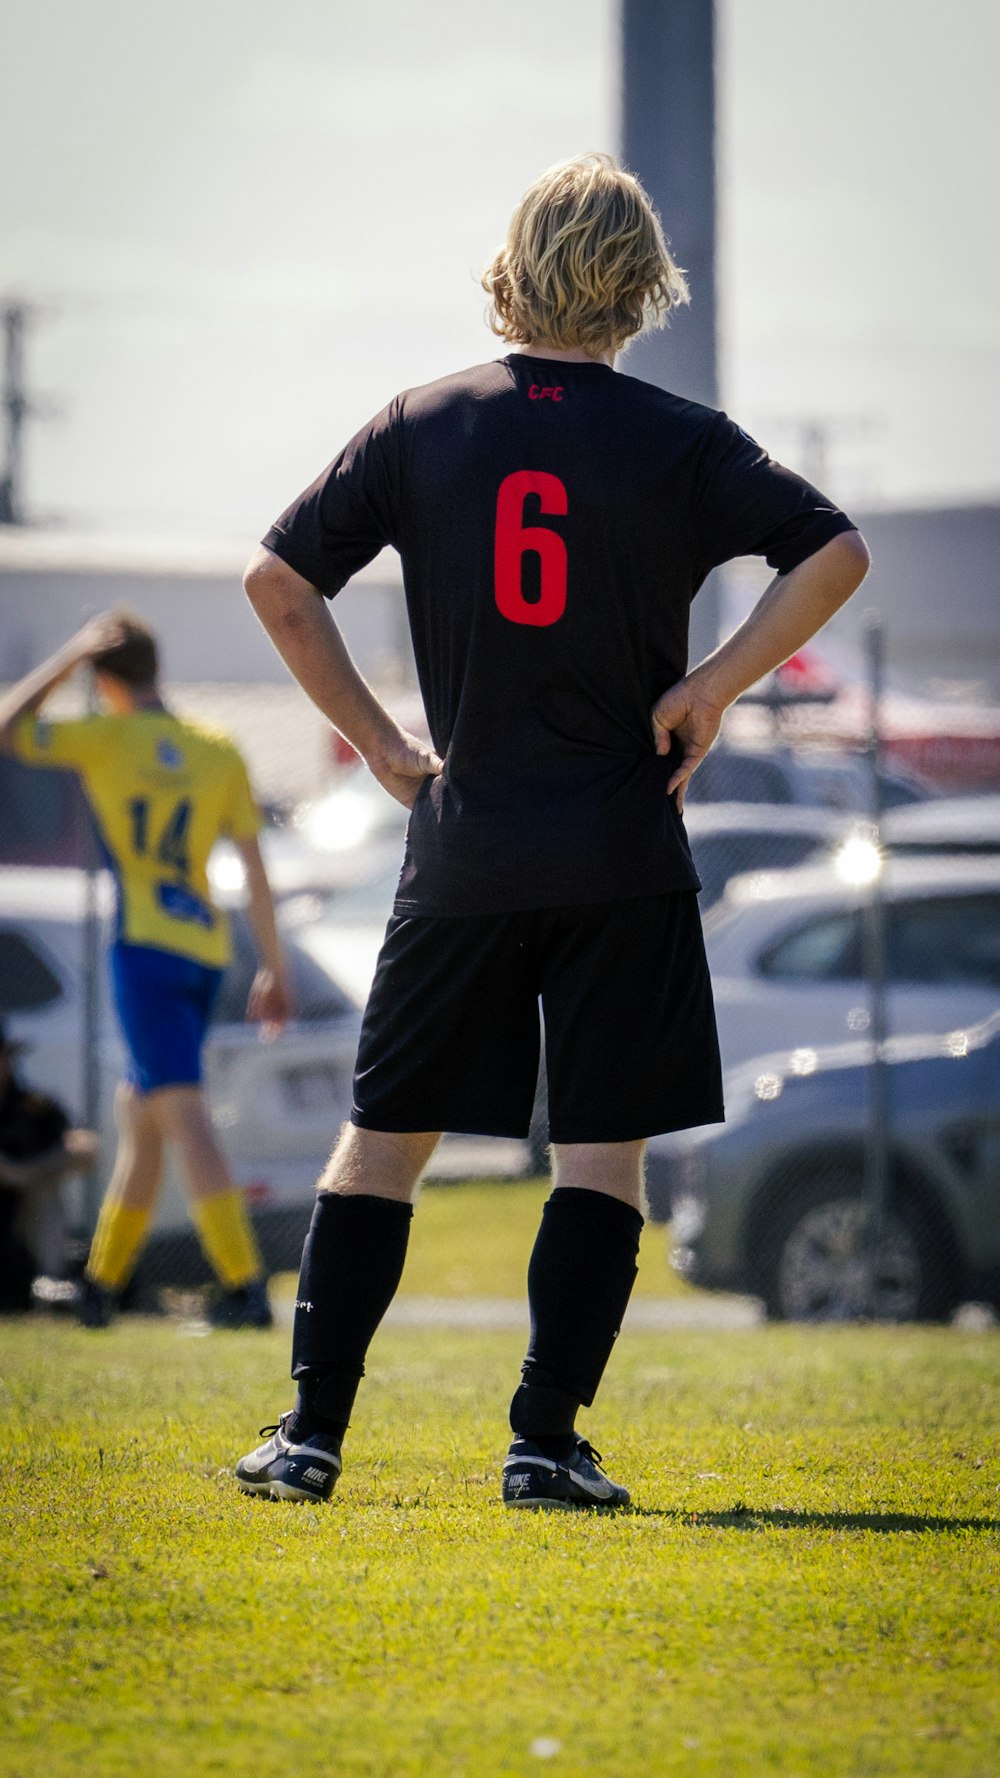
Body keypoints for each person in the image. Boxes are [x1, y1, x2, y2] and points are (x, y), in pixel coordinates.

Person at [233, 152, 870, 1508]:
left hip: (462, 843)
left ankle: (310, 1436)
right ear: (642, 282)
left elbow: (279, 585)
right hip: (619, 849)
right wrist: (709, 687)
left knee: (386, 1136)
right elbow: (836, 553)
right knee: (601, 1155)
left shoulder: (421, 423)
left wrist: (383, 743)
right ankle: (540, 1443)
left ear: (512, 269)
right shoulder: (683, 438)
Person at [0, 611, 292, 1328]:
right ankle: (100, 1284)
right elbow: (254, 868)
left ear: (105, 679)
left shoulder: (108, 738)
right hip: (204, 951)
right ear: (157, 670)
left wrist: (66, 654)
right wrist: (274, 967)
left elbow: (8, 726)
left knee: (181, 1114)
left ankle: (243, 1285)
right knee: (144, 1114)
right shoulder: (216, 748)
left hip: (145, 951)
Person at [0, 1022, 99, 1312]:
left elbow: (86, 1148)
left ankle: (51, 1283)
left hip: (19, 1231)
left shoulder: (32, 1105)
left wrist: (26, 1174)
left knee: (44, 1192)